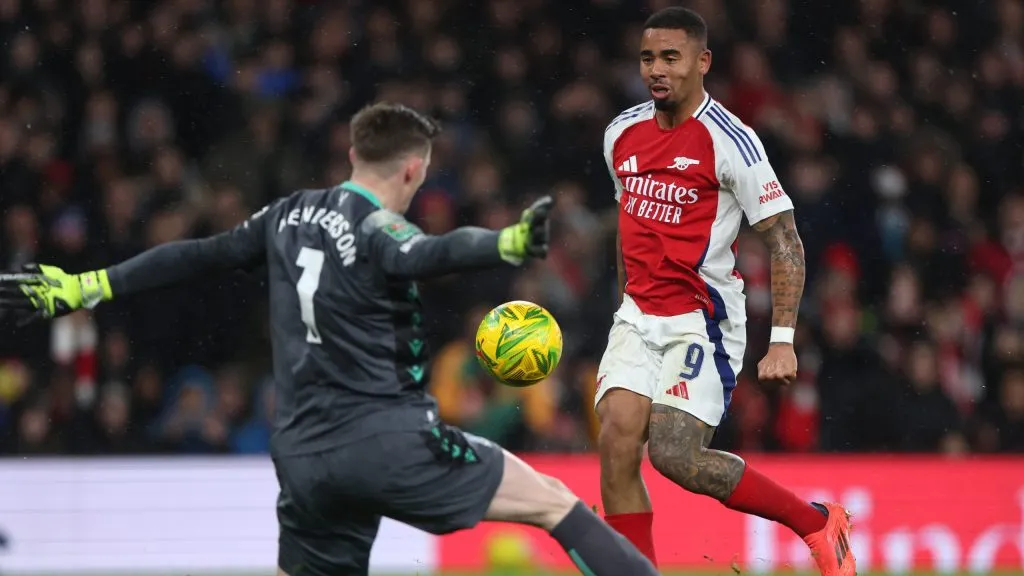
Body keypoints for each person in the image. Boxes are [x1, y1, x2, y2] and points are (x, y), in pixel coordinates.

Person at [0, 103, 660, 576]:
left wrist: (88, 285)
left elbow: (193, 255)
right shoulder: (381, 229)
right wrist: (505, 244)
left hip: (305, 458)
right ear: (413, 171)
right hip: (389, 441)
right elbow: (423, 254)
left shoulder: (283, 214)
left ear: (352, 155)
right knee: (555, 503)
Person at [596, 7, 856, 576]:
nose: (656, 70)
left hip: (701, 319)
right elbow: (627, 228)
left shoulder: (730, 140)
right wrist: (626, 305)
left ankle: (815, 522)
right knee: (616, 443)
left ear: (702, 61)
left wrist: (782, 339)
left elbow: (785, 239)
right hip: (638, 314)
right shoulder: (620, 133)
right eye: (647, 58)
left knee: (673, 456)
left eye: (671, 57)